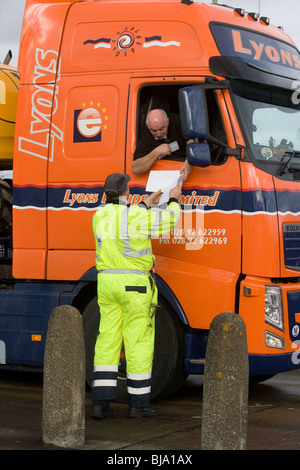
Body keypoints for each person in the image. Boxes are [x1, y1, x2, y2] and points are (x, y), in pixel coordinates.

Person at [91, 172, 181, 419]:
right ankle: (138, 405)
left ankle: (100, 404)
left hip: (106, 283)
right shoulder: (135, 216)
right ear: (127, 193)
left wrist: (145, 203)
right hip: (134, 285)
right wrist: (173, 199)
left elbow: (123, 219)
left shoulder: (98, 216)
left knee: (107, 339)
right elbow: (170, 221)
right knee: (138, 341)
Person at [132, 108, 192, 178]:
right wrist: (156, 152)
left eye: (161, 129)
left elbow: (193, 141)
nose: (158, 134)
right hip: (163, 174)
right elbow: (135, 168)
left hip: (183, 165)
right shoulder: (146, 136)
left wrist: (189, 162)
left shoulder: (178, 122)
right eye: (154, 130)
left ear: (168, 122)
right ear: (148, 127)